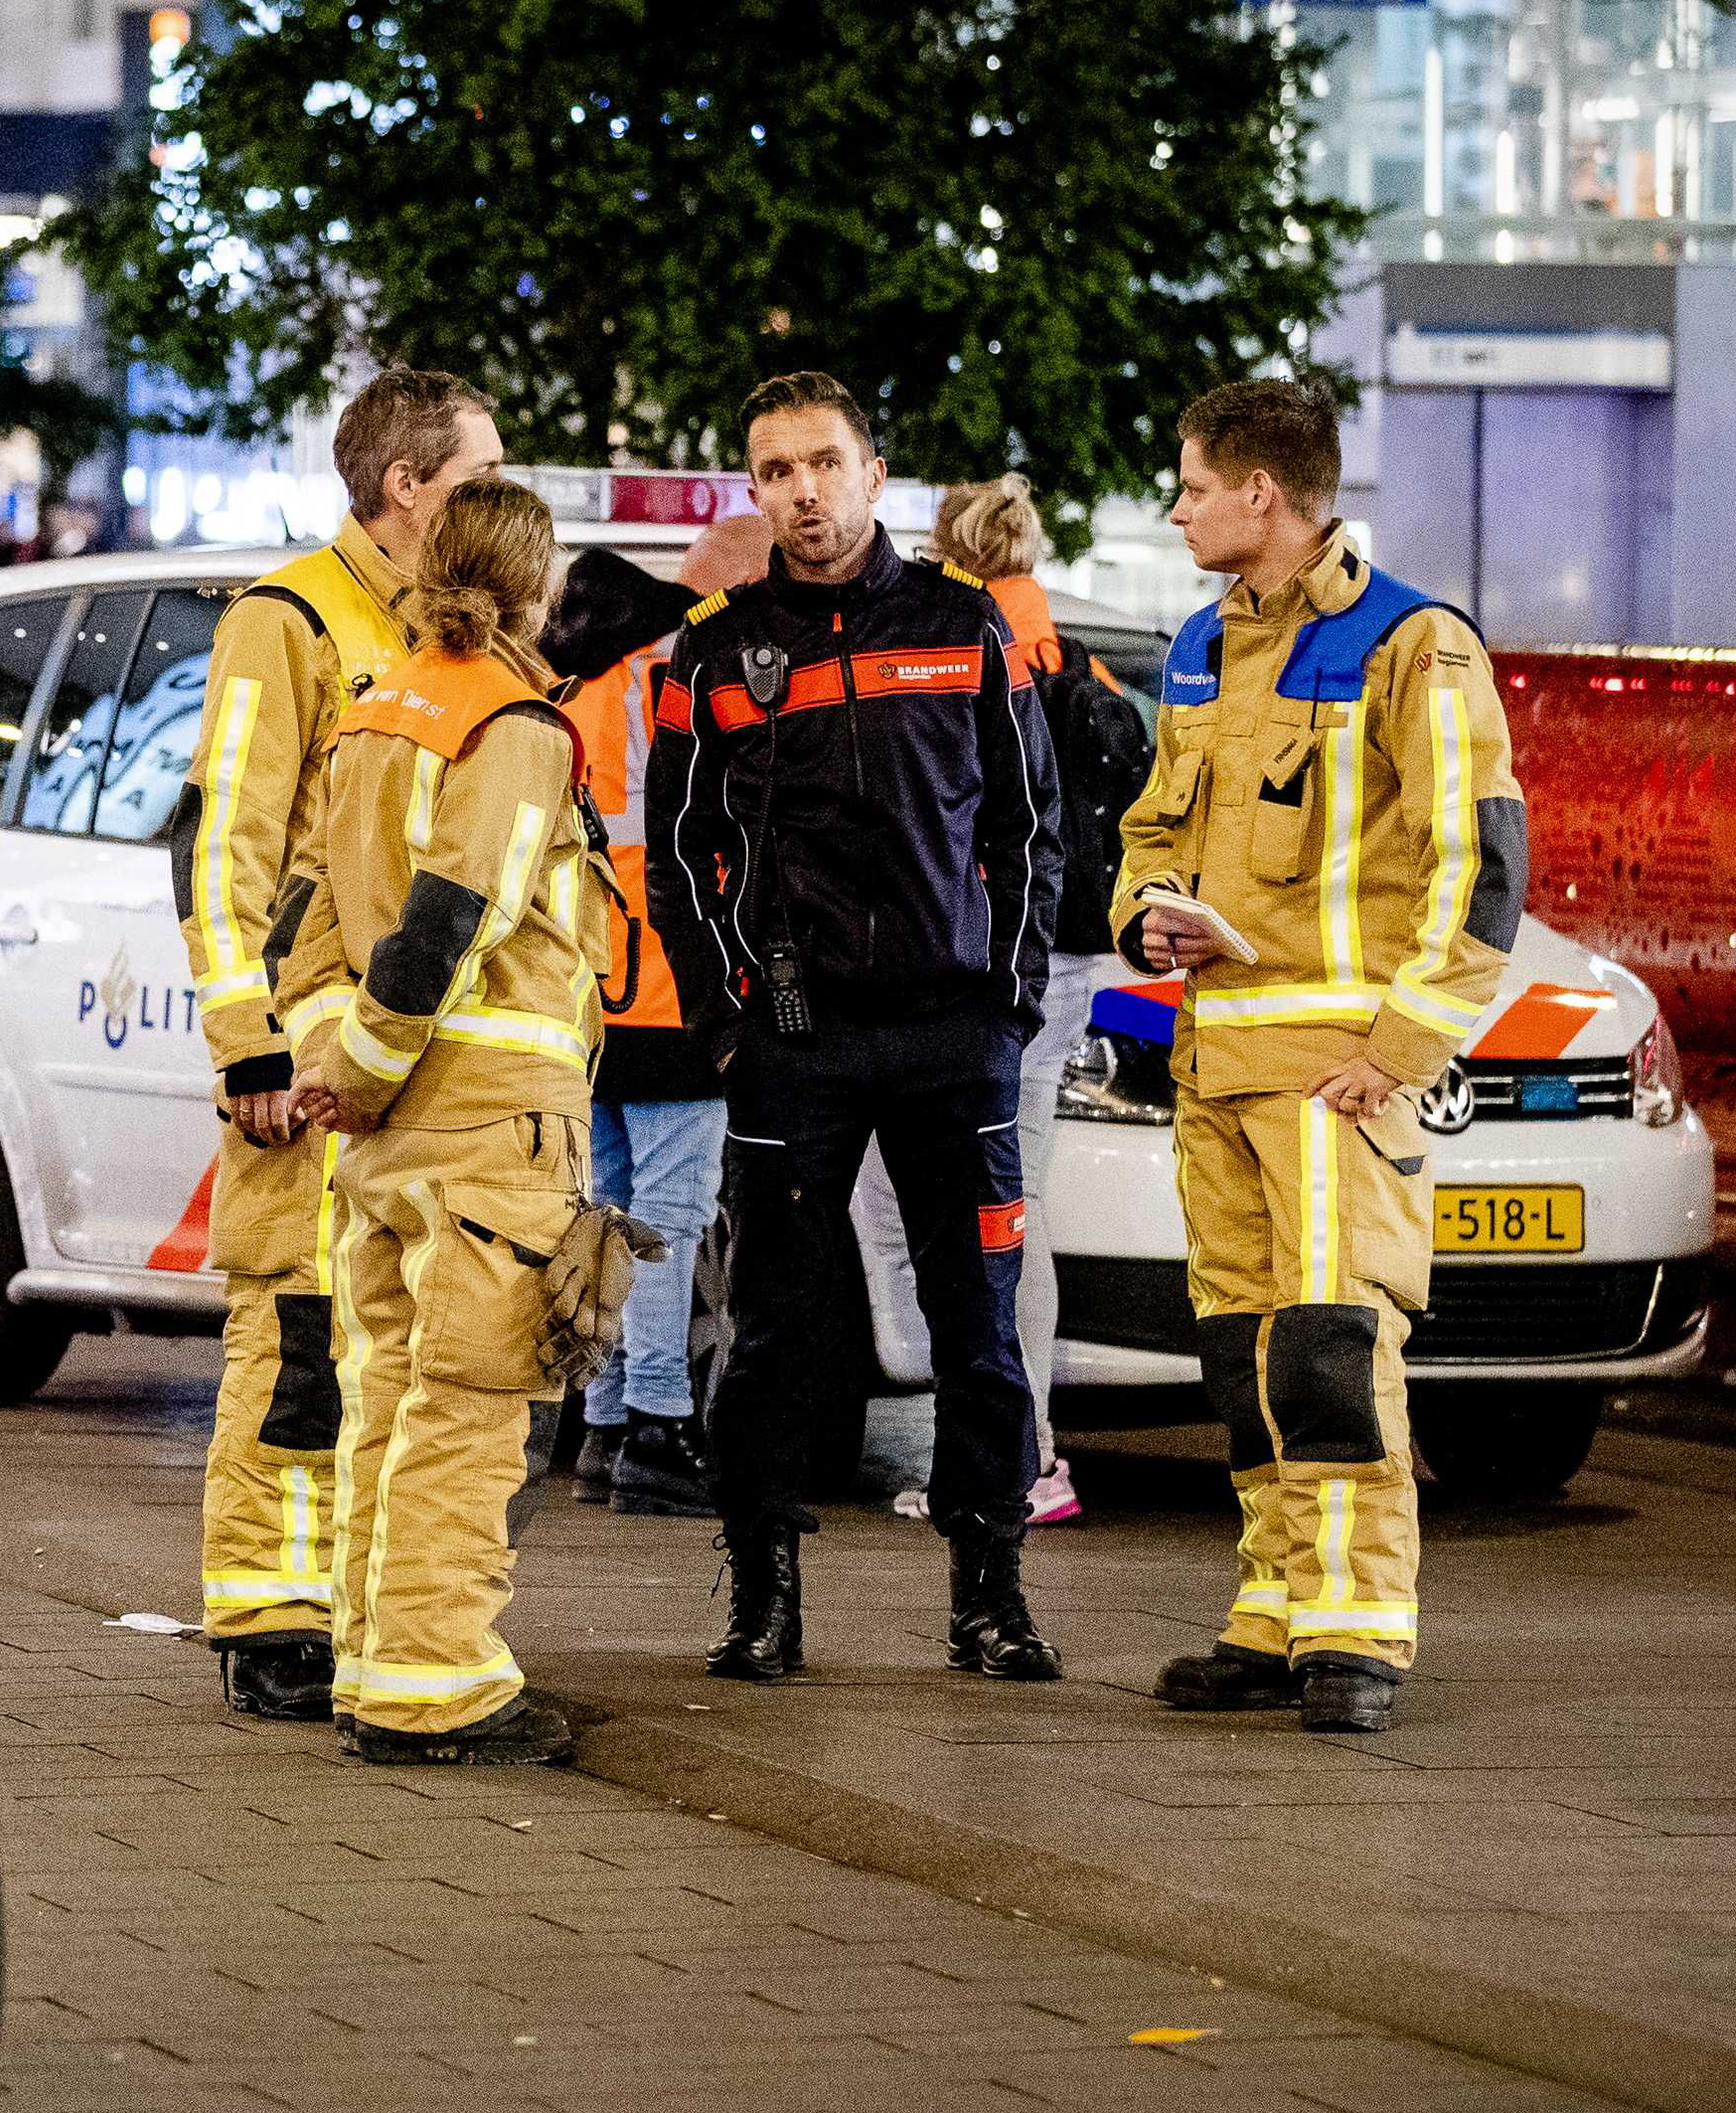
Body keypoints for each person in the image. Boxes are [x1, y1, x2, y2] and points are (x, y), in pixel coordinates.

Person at [1121, 381, 1522, 1735]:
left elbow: (1483, 868)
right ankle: (1278, 1611)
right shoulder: (1197, 646)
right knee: (1243, 1359)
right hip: (1215, 1066)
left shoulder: (1413, 642)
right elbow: (1148, 833)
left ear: (1263, 495)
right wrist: (1143, 911)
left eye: (1189, 484)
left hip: (1334, 1073)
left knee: (1333, 1352)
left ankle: (1359, 1627)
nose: (1175, 505)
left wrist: (1403, 1047)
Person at [648, 372, 1061, 1684]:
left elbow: (1028, 829)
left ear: (878, 476)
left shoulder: (966, 625)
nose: (803, 490)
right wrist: (726, 1023)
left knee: (979, 1332)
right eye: (775, 470)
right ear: (754, 489)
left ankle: (989, 1593)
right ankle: (761, 1594)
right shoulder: (715, 650)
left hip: (953, 1037)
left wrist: (1009, 995)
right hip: (793, 1040)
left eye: (824, 461)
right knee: (773, 1330)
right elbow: (677, 850)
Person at [173, 366, 500, 1722]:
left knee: (384, 1336)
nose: (498, 496)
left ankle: (351, 1598)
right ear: (405, 484)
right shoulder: (292, 618)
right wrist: (246, 1043)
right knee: (294, 1325)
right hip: (305, 1047)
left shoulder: (448, 631)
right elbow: (223, 842)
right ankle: (268, 1605)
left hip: (401, 1050)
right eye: (478, 474)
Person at [285, 477, 607, 1763]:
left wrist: (335, 1063)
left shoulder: (375, 712)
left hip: (383, 1139)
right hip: (488, 1124)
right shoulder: (515, 724)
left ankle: (371, 1658)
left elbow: (301, 921)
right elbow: (453, 920)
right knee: (471, 1411)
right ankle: (439, 1682)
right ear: (535, 588)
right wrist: (368, 1062)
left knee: (387, 1398)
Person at [841, 478, 1158, 1527]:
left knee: (980, 1213)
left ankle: (1012, 1459)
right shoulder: (1068, 653)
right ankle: (1010, 1451)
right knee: (1004, 1209)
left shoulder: (967, 648)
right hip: (1060, 967)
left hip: (990, 974)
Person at [560, 520, 752, 1521]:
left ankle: (601, 1423)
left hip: (592, 990)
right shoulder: (687, 670)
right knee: (670, 1218)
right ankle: (660, 1426)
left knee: (607, 1208)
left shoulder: (598, 668)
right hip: (672, 985)